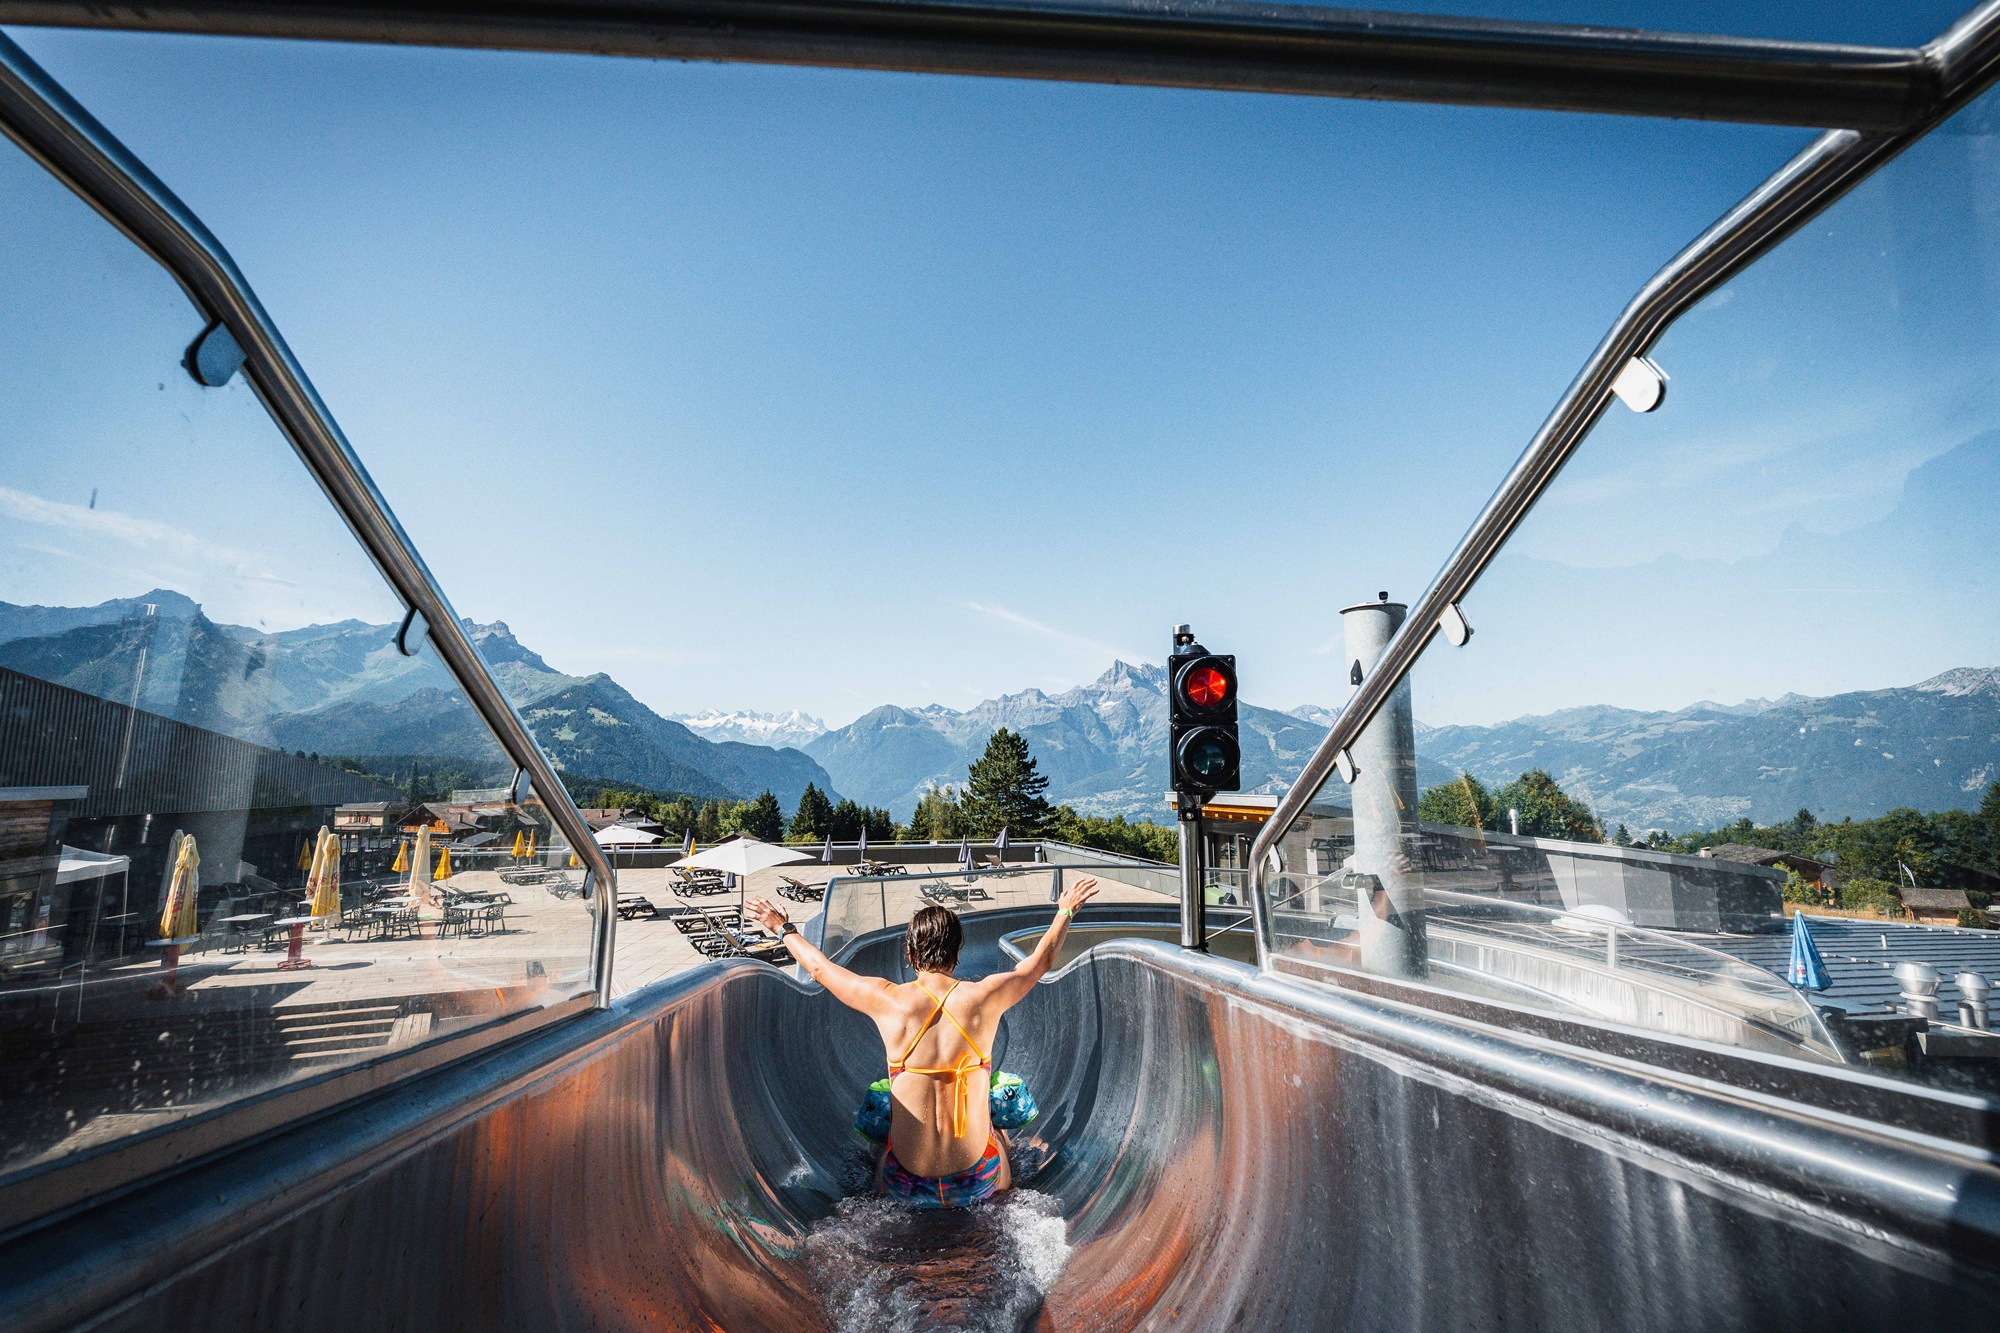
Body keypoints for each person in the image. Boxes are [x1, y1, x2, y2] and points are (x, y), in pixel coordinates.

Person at [746, 876, 1099, 1208]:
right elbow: (1038, 964)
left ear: (911, 956)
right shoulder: (983, 997)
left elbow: (820, 969)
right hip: (978, 1180)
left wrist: (782, 927)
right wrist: (1064, 911)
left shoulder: (888, 1000)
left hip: (904, 1183)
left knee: (882, 1120)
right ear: (956, 955)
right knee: (1000, 1122)